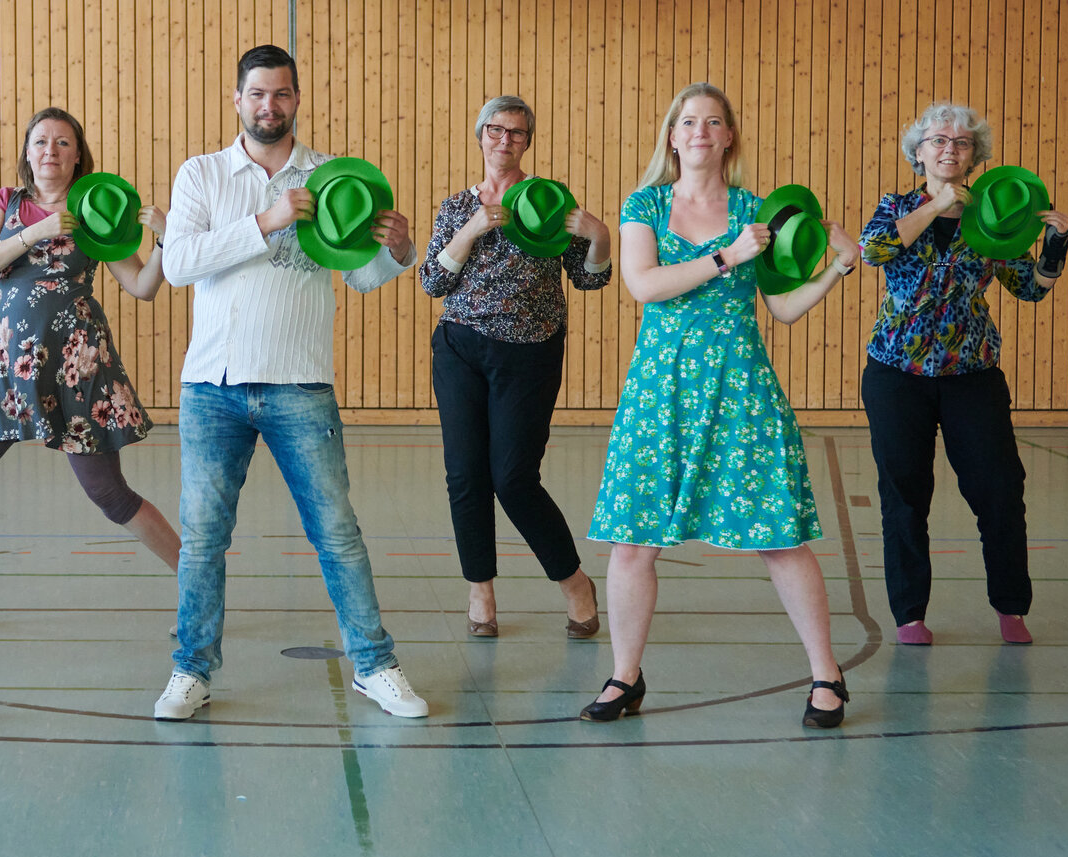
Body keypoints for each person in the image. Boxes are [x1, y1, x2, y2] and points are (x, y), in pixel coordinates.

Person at [152, 45, 427, 721]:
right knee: (204, 536)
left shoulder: (334, 177)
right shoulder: (203, 174)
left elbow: (359, 276)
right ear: (236, 99)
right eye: (256, 94)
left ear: (297, 99)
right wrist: (265, 222)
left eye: (280, 94)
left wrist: (398, 252)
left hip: (300, 383)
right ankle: (191, 670)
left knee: (337, 531)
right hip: (212, 386)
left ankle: (375, 665)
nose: (268, 106)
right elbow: (181, 262)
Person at [585, 83, 859, 728]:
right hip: (661, 392)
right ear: (672, 136)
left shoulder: (759, 210)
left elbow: (782, 308)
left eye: (713, 122)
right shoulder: (644, 203)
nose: (700, 131)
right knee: (632, 544)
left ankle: (828, 674)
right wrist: (725, 255)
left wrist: (835, 268)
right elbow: (645, 286)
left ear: (729, 135)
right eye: (688, 122)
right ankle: (625, 677)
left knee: (781, 537)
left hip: (740, 389)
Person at [0, 107, 180, 632]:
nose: (51, 152)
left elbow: (143, 286)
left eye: (63, 143)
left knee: (109, 493)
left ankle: (198, 588)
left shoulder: (96, 210)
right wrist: (33, 235)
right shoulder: (7, 203)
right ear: (27, 152)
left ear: (77, 154)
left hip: (78, 369)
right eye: (41, 142)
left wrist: (166, 240)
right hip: (10, 370)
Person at [858, 102, 1068, 646]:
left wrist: (1054, 244)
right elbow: (874, 250)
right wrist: (935, 206)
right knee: (905, 493)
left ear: (977, 155)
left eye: (961, 142)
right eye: (938, 140)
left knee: (999, 488)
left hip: (971, 373)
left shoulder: (993, 213)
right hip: (896, 373)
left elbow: (1030, 287)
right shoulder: (897, 206)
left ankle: (1011, 606)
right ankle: (910, 615)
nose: (949, 148)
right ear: (919, 152)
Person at [418, 94, 612, 640]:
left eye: (518, 133)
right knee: (465, 476)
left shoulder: (549, 200)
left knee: (514, 479)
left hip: (530, 353)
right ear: (480, 135)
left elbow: (590, 278)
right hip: (460, 349)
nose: (506, 140)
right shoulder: (458, 207)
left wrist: (598, 236)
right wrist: (474, 227)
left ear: (529, 141)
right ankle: (480, 588)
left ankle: (574, 582)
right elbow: (434, 281)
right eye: (496, 130)